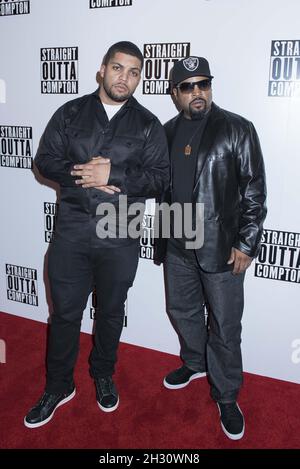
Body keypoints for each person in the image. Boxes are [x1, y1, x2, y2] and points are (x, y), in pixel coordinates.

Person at [24, 41, 169, 428]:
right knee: (65, 314)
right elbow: (44, 160)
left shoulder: (149, 124)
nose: (125, 78)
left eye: (134, 72)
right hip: (72, 231)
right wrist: (83, 172)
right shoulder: (70, 112)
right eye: (118, 68)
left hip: (121, 233)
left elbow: (160, 178)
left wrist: (114, 176)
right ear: (102, 70)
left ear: (140, 78)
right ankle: (58, 385)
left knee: (110, 311)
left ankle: (103, 373)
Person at [156, 56, 267, 440]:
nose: (197, 92)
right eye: (187, 86)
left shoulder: (237, 128)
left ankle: (226, 394)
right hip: (176, 242)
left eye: (203, 84)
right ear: (175, 94)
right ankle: (194, 361)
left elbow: (254, 191)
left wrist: (247, 243)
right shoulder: (166, 132)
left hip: (221, 246)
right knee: (181, 309)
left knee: (224, 325)